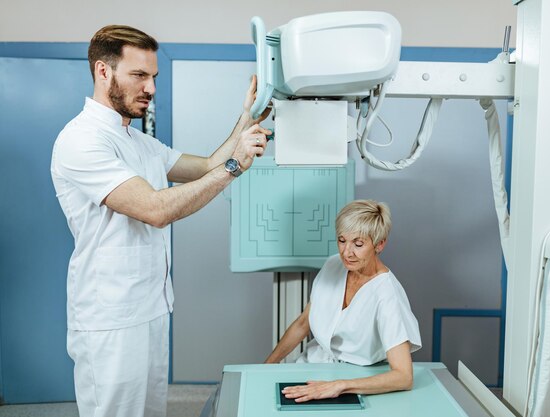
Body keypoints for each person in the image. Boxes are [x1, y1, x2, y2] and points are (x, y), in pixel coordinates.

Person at [50, 25, 271, 417]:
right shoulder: (81, 140)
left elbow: (203, 166)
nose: (151, 88)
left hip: (150, 308)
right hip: (111, 319)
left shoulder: (136, 140)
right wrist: (236, 166)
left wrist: (244, 120)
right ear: (103, 72)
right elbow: (156, 210)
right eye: (139, 76)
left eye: (153, 77)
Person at [265, 199, 422, 402]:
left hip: (357, 378)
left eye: (358, 244)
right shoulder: (333, 265)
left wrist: (340, 386)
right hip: (312, 366)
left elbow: (404, 377)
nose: (347, 253)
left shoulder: (387, 294)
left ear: (379, 244)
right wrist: (266, 367)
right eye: (341, 240)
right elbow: (304, 323)